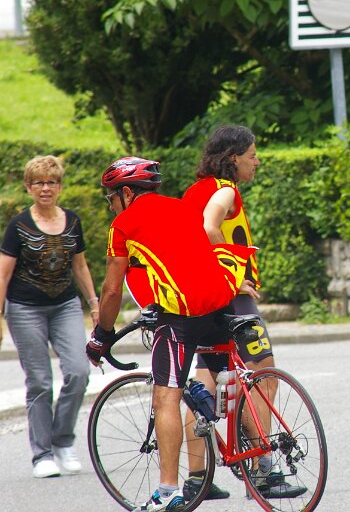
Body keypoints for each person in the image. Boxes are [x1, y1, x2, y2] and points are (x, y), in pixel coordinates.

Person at [86, 157, 255, 512]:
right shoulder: (183, 208)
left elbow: (112, 290)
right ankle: (261, 459)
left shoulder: (123, 225)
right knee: (226, 377)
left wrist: (101, 336)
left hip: (181, 316)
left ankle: (167, 491)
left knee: (166, 397)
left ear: (127, 193)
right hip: (220, 304)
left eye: (111, 197)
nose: (111, 205)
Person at [180, 125, 302, 500]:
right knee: (264, 376)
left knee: (205, 380)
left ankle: (197, 479)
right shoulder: (225, 190)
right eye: (252, 155)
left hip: (200, 301)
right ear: (233, 159)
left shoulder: (193, 191)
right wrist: (230, 276)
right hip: (230, 299)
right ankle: (264, 472)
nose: (257, 162)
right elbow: (209, 227)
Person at [0, 155, 98, 479]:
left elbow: (80, 266)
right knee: (40, 381)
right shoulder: (18, 226)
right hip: (24, 309)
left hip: (65, 306)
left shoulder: (72, 221)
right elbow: (3, 274)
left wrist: (94, 304)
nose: (46, 188)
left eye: (51, 182)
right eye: (39, 183)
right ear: (29, 187)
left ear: (60, 187)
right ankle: (42, 454)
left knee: (79, 371)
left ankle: (63, 441)